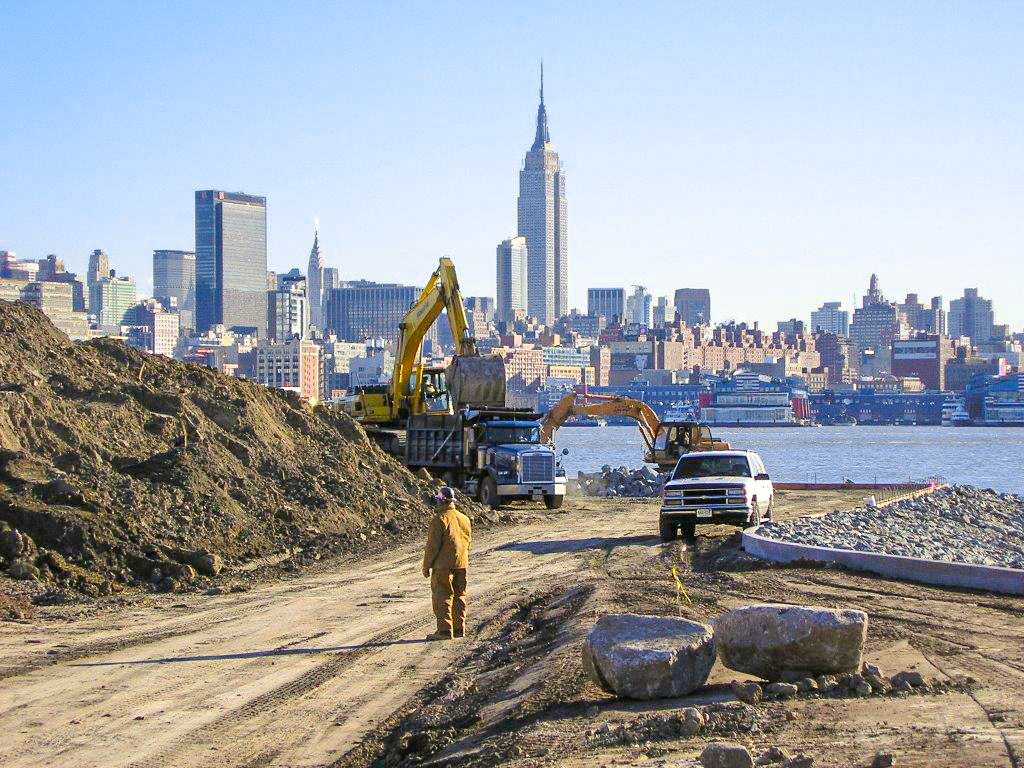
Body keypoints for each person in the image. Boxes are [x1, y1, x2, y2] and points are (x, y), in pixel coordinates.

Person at [422, 486, 471, 640]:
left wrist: (426, 565)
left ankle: (444, 631)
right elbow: (468, 541)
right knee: (459, 596)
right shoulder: (464, 518)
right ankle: (459, 629)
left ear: (440, 500)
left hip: (443, 566)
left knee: (442, 595)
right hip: (461, 563)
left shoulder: (439, 519)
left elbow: (432, 546)